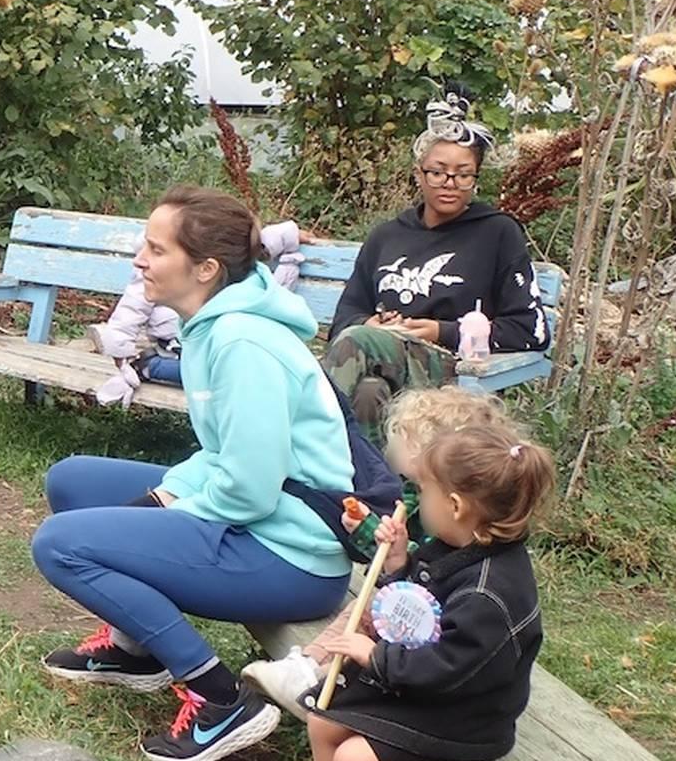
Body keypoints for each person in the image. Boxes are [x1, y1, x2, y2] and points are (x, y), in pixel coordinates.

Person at [31, 186, 357, 761]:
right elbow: (223, 453)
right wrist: (165, 495)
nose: (139, 259)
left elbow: (251, 489)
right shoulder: (211, 324)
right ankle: (137, 650)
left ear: (205, 268)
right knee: (73, 481)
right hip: (259, 515)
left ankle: (219, 697)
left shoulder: (243, 343)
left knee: (60, 546)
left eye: (156, 249)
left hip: (290, 555)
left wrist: (169, 511)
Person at [243, 386, 517, 719]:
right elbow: (414, 567)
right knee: (366, 608)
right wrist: (373, 534)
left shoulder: (468, 545)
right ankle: (309, 667)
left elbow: (430, 578)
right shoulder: (439, 507)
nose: (393, 453)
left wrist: (392, 552)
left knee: (368, 608)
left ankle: (313, 672)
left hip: (434, 646)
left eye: (404, 442)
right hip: (417, 616)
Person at [303, 424, 552, 761]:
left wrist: (376, 657)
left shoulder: (487, 596)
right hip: (426, 690)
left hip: (464, 720)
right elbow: (422, 609)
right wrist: (398, 564)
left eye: (422, 490)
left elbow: (447, 667)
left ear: (454, 506)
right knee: (322, 720)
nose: (417, 499)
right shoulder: (457, 545)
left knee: (354, 755)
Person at [324, 90, 550, 425]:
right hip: (379, 361)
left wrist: (440, 331)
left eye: (463, 174)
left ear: (475, 179)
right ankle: (374, 479)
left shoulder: (497, 233)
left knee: (358, 343)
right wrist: (368, 324)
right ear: (419, 174)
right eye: (438, 172)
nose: (450, 183)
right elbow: (346, 317)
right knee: (370, 392)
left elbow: (531, 331)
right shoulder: (387, 235)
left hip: (453, 369)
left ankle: (301, 446)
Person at [91, 221, 305, 406]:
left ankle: (148, 366)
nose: (141, 260)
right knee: (213, 373)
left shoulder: (230, 262)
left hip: (221, 353)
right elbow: (132, 307)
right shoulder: (157, 270)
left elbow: (251, 240)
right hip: (176, 348)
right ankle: (147, 366)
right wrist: (119, 346)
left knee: (236, 372)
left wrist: (290, 235)